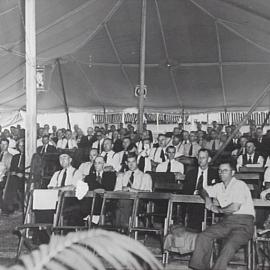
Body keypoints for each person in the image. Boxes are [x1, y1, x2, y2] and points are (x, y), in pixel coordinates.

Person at [189, 161, 255, 270]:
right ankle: (199, 267)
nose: (221, 173)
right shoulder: (219, 186)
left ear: (232, 172)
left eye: (225, 170)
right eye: (219, 170)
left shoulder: (239, 185)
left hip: (244, 224)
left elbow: (234, 207)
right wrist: (207, 200)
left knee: (229, 245)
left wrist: (218, 210)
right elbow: (203, 189)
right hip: (227, 223)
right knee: (203, 236)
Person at [182, 149, 219, 231]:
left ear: (209, 159)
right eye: (199, 157)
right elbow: (186, 191)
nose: (200, 160)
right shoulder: (190, 173)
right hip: (192, 202)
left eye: (203, 158)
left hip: (208, 202)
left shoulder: (215, 174)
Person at [1, 139, 25, 215]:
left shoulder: (28, 155)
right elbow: (12, 169)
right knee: (11, 181)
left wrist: (22, 174)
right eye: (20, 146)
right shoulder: (16, 156)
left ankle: (10, 207)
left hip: (23, 176)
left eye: (23, 145)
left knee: (10, 183)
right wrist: (13, 173)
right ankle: (8, 207)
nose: (22, 147)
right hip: (13, 176)